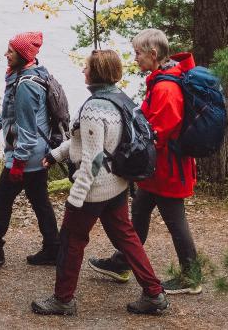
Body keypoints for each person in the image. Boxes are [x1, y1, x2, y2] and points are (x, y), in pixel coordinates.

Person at [30, 50, 170, 317]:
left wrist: (77, 195)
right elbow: (101, 143)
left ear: (97, 72)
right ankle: (154, 293)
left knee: (71, 240)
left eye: (86, 67)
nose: (83, 71)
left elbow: (93, 159)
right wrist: (56, 153)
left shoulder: (94, 108)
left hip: (95, 188)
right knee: (127, 238)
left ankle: (63, 300)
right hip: (117, 182)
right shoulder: (120, 99)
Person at [88, 29, 202, 294]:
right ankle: (122, 262)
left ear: (154, 54)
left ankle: (192, 276)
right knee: (138, 214)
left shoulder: (166, 87)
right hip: (156, 170)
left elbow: (159, 132)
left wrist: (132, 143)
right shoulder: (161, 80)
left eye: (139, 53)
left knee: (175, 222)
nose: (135, 58)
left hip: (167, 169)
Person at [0, 31, 61, 268]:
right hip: (35, 154)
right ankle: (53, 249)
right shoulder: (23, 75)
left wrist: (18, 163)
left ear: (22, 55)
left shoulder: (26, 85)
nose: (6, 54)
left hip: (26, 154)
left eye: (10, 51)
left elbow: (28, 129)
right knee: (39, 200)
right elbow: (11, 112)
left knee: (2, 198)